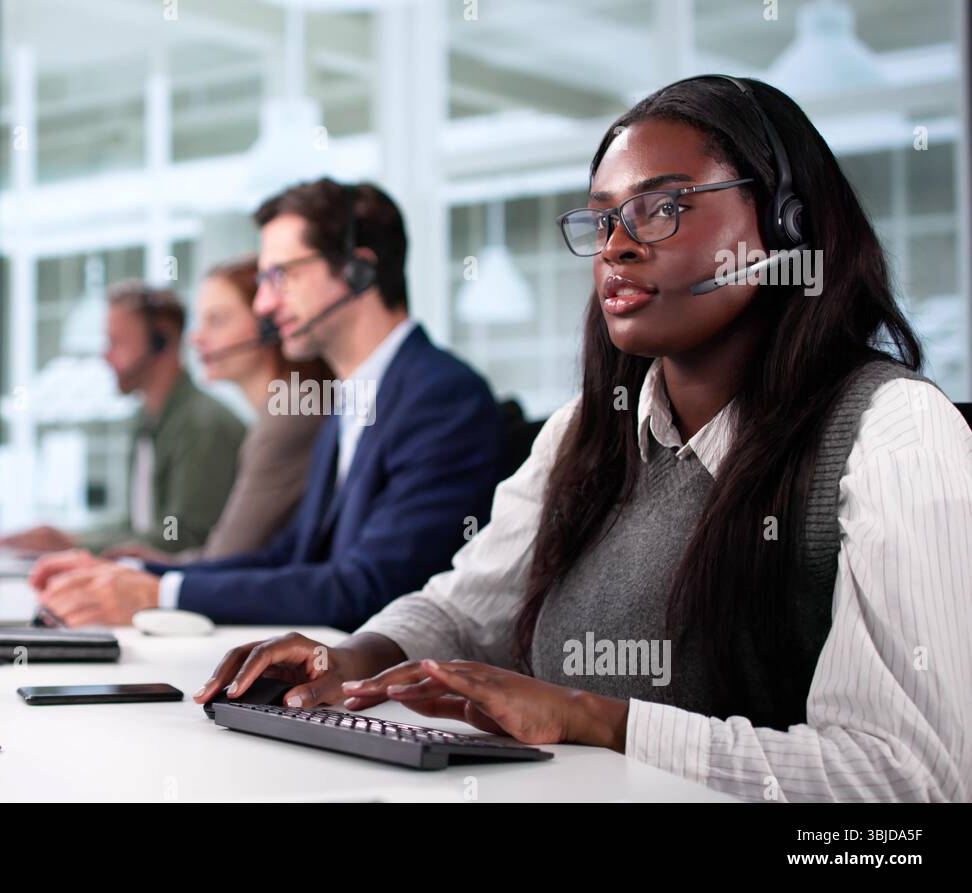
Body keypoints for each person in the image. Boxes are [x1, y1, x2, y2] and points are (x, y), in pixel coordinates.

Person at [193, 77, 972, 802]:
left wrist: (598, 717)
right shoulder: (585, 430)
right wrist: (355, 656)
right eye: (603, 219)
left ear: (784, 224)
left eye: (661, 207)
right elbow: (467, 611)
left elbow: (909, 774)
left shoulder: (893, 430)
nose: (617, 247)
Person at [28, 179, 504, 631]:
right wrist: (137, 572)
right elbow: (291, 556)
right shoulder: (351, 399)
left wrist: (161, 595)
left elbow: (370, 587)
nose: (263, 305)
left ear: (359, 271)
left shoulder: (441, 398)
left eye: (281, 276)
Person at [0, 281, 245, 555]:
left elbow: (183, 536)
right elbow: (138, 524)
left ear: (162, 341)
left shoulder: (202, 425)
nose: (105, 355)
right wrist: (65, 537)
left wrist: (77, 544)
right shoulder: (147, 420)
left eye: (116, 342)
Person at [104, 256, 329, 562]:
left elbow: (224, 555)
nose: (196, 338)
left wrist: (144, 569)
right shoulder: (280, 409)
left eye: (217, 320)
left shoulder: (289, 412)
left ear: (269, 325)